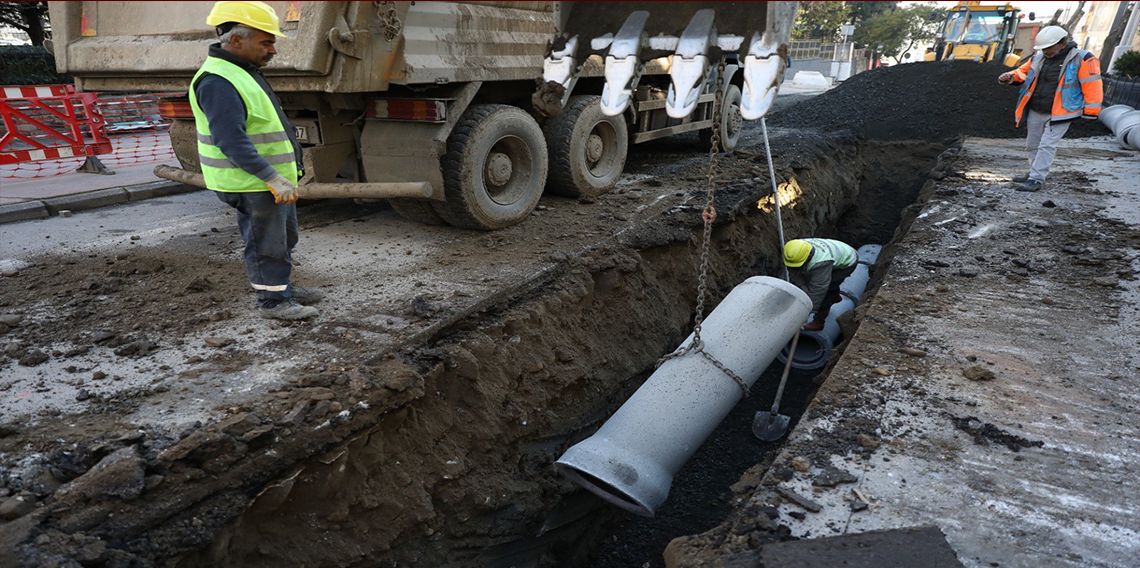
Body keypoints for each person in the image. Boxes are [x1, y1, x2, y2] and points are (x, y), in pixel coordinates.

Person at [189, 1, 323, 320]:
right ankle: (273, 302)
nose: (273, 50)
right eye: (266, 42)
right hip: (252, 181)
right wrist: (271, 177)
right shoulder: (218, 81)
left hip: (265, 178)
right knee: (267, 242)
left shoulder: (240, 71)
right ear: (236, 40)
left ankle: (280, 287)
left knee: (284, 237)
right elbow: (230, 140)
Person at [998, 25, 1103, 192]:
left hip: (1062, 111)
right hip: (1036, 108)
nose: (1046, 51)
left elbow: (1093, 86)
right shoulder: (1038, 59)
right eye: (1043, 48)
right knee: (1032, 145)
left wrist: (1091, 112)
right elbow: (1022, 73)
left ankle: (1036, 179)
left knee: (1046, 145)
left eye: (1049, 47)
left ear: (1063, 43)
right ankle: (1034, 171)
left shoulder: (1083, 59)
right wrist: (1010, 77)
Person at [783, 238, 858, 332]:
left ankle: (819, 322)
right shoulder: (794, 250)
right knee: (814, 281)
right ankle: (836, 297)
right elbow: (793, 270)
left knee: (827, 291)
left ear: (809, 257)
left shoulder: (820, 263)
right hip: (837, 249)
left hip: (847, 261)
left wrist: (807, 310)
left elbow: (818, 290)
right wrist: (803, 286)